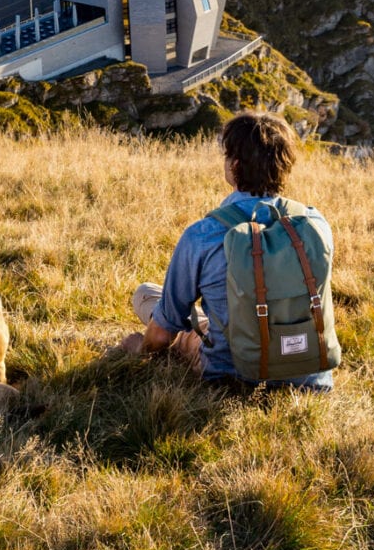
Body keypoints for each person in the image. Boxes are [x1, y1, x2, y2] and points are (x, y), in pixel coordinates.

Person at [119, 110, 335, 392]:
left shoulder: (204, 234)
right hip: (307, 377)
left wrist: (141, 352)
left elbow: (162, 332)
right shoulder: (315, 225)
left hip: (232, 376)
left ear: (234, 165)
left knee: (146, 295)